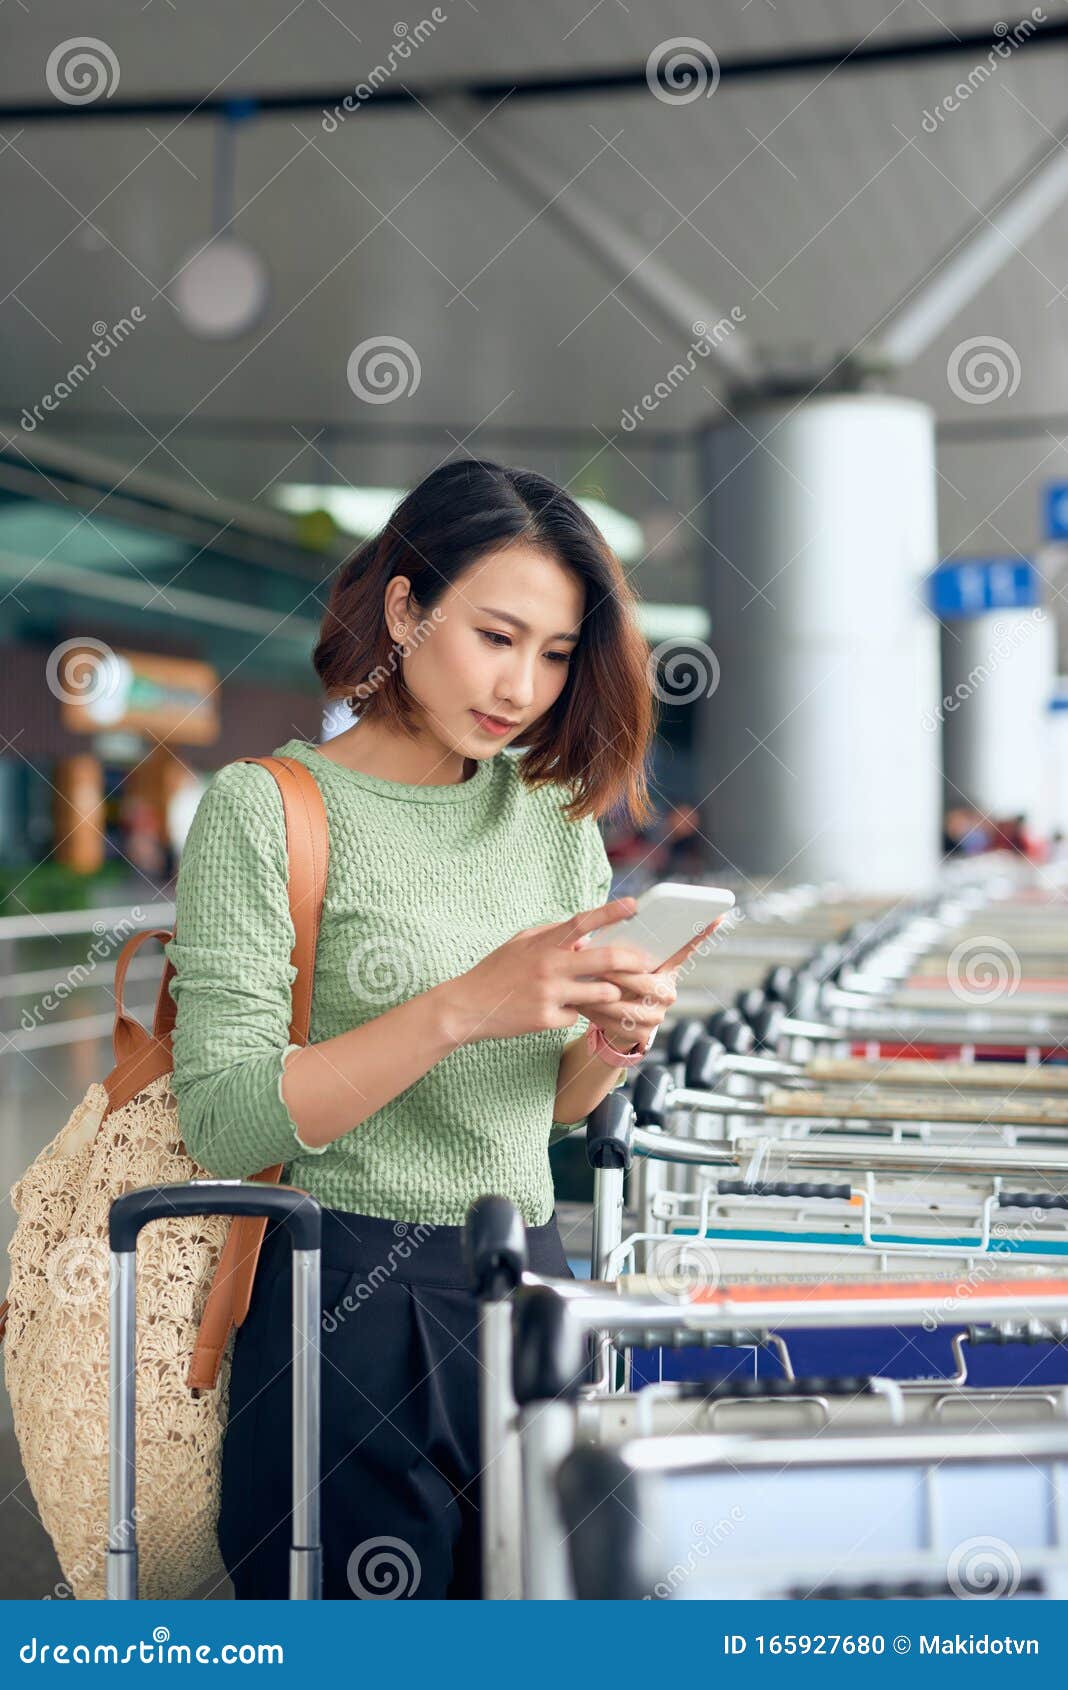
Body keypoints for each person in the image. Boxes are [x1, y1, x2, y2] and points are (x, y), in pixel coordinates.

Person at [165, 460, 700, 1600]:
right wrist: (463, 1006)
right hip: (339, 1292)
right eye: (497, 635)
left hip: (525, 1283)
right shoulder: (265, 809)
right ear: (405, 609)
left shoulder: (554, 823)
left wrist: (611, 1042)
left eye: (555, 654)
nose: (524, 684)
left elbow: (546, 1108)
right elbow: (222, 1121)